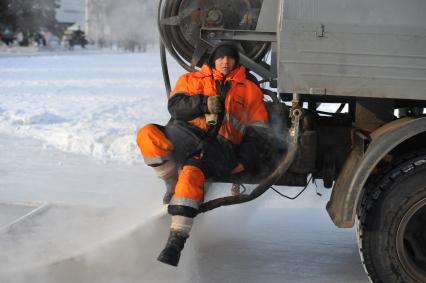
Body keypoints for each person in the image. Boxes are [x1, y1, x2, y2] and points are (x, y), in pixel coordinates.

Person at [136, 43, 269, 266]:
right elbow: (176, 107)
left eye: (230, 58)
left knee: (191, 174)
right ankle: (170, 183)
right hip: (186, 134)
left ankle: (175, 243)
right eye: (221, 58)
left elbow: (259, 131)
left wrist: (245, 160)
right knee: (148, 134)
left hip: (220, 146)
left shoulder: (249, 89)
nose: (225, 62)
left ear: (236, 61)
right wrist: (203, 104)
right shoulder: (191, 80)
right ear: (213, 60)